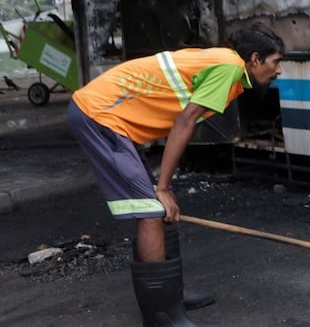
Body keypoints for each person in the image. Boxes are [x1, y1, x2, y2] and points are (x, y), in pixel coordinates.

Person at [67, 22, 284, 326]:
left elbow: (183, 120)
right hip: (99, 116)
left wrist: (164, 187)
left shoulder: (227, 64)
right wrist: (164, 185)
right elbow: (185, 122)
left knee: (160, 208)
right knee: (152, 210)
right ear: (256, 59)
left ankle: (170, 296)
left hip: (109, 116)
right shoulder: (229, 67)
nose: (279, 70)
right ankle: (162, 314)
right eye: (276, 62)